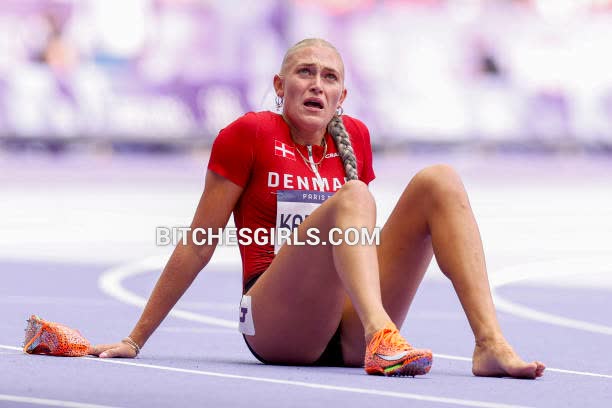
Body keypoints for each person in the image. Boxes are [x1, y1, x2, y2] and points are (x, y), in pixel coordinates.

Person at [91, 38, 545, 378]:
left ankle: (489, 343)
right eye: (304, 73)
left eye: (329, 77)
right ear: (279, 85)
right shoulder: (249, 134)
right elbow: (198, 243)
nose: (316, 84)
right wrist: (135, 338)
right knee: (355, 196)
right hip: (276, 323)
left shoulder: (356, 138)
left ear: (341, 97)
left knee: (440, 180)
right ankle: (380, 332)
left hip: (345, 321)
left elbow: (358, 240)